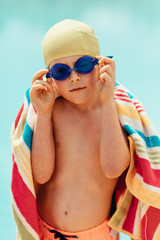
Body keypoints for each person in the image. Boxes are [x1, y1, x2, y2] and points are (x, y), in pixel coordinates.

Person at [29, 19, 130, 240]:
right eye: (61, 71)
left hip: (95, 235)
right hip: (44, 231)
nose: (74, 77)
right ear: (50, 77)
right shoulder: (51, 111)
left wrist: (106, 102)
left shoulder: (114, 113)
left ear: (101, 64)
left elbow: (114, 169)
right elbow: (40, 174)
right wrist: (43, 114)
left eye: (84, 65)